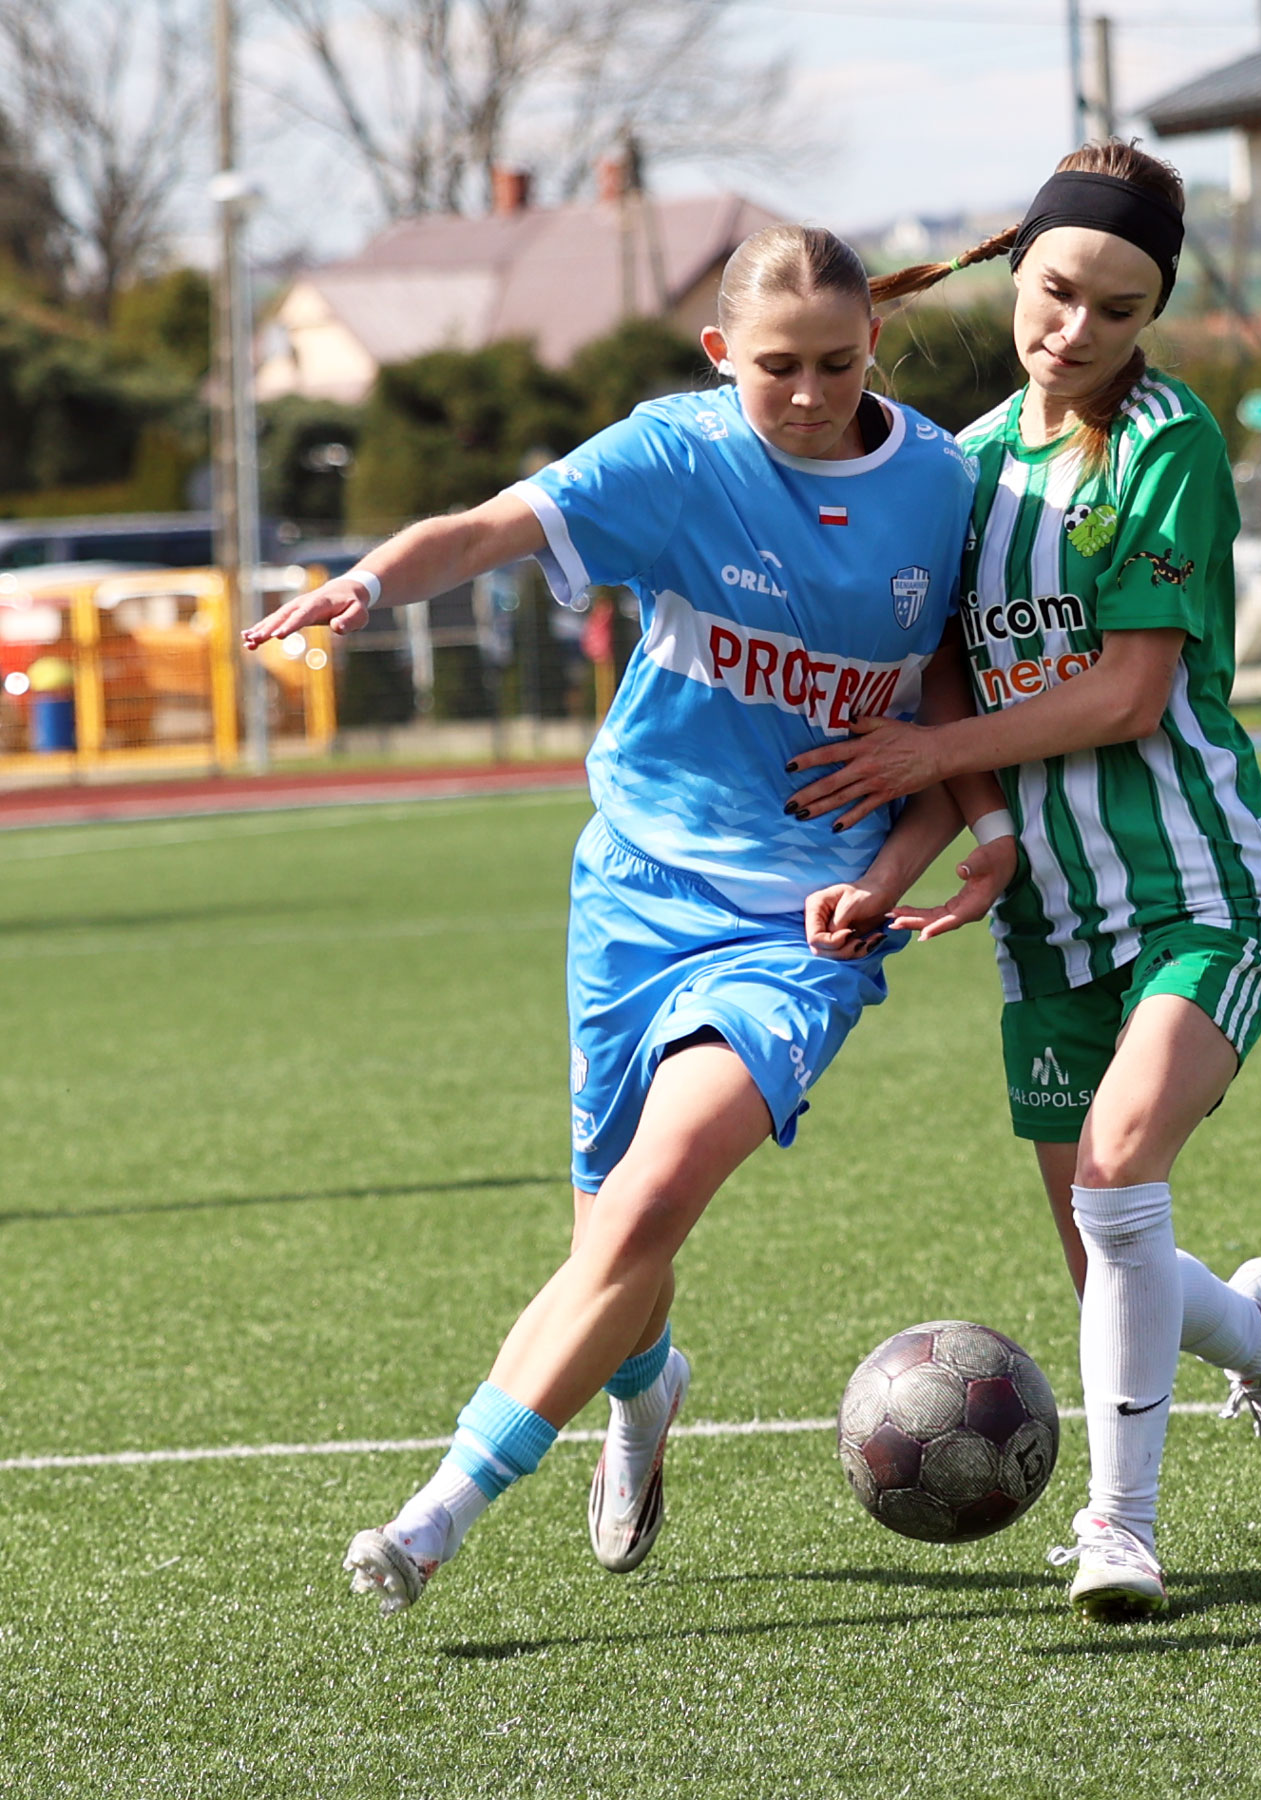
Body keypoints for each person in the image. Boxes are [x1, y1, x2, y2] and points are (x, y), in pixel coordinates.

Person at [245, 224, 1015, 1614]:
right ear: (720, 356)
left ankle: (436, 1515)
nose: (807, 393)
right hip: (636, 895)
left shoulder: (943, 485)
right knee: (614, 1238)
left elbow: (947, 713)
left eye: (835, 363)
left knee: (650, 1204)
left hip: (801, 930)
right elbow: (489, 528)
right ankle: (647, 1391)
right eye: (775, 366)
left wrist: (909, 865)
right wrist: (368, 580)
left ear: (874, 347)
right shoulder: (675, 457)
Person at [794, 143, 1261, 1623]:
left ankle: (1118, 1528)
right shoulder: (957, 470)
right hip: (1046, 926)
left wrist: (931, 754)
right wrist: (903, 866)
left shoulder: (1166, 444)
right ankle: (1256, 1336)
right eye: (1056, 292)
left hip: (1200, 893)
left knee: (1116, 1175)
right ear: (1016, 270)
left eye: (1119, 306)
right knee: (1109, 1248)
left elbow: (1127, 695)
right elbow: (950, 707)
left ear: (1153, 314)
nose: (1077, 327)